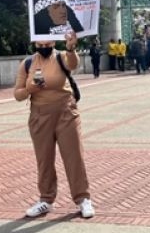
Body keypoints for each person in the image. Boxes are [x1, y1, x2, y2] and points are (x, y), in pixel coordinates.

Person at [13, 30, 94, 219]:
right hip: (39, 115)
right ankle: (46, 200)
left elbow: (73, 64)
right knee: (44, 159)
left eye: (47, 45)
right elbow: (17, 94)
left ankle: (83, 198)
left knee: (74, 156)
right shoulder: (27, 64)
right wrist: (29, 89)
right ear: (34, 44)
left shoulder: (61, 56)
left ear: (53, 42)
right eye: (40, 45)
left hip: (65, 112)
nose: (44, 48)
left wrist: (71, 47)